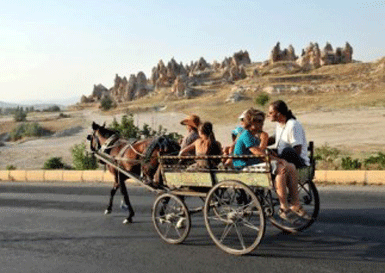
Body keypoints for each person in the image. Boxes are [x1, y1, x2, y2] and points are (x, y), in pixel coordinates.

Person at [232, 108, 310, 221]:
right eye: (258, 121)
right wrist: (276, 160)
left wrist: (276, 158)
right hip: (244, 166)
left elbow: (262, 151)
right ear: (250, 122)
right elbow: (257, 152)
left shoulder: (254, 136)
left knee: (291, 167)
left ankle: (295, 204)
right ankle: (284, 207)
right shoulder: (246, 135)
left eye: (262, 121)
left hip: (254, 164)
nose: (261, 124)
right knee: (280, 168)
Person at [268, 100, 310, 168]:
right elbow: (274, 138)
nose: (268, 115)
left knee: (287, 151)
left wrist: (280, 159)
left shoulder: (293, 125)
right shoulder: (279, 125)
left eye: (271, 113)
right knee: (266, 152)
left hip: (298, 161)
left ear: (278, 113)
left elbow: (297, 150)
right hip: (283, 158)